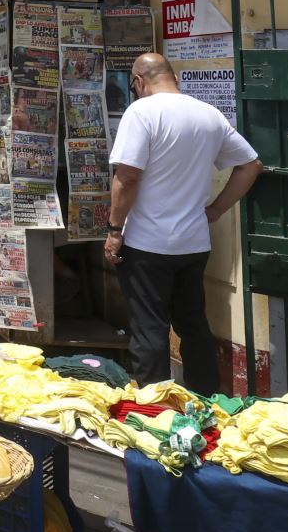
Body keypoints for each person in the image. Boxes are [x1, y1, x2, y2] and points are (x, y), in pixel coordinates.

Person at [107, 53, 262, 393]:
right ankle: (205, 398)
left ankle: (155, 406)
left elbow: (127, 177)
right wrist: (216, 210)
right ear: (172, 77)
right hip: (193, 244)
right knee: (193, 325)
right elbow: (250, 165)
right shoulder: (208, 114)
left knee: (150, 327)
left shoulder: (142, 112)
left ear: (139, 82)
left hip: (146, 245)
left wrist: (114, 230)